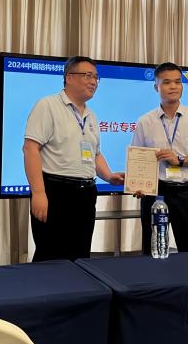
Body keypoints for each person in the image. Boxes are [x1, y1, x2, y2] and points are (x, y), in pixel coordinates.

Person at [23, 56, 124, 262]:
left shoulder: (91, 115)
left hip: (86, 194)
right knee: (51, 258)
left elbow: (94, 153)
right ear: (69, 77)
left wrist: (109, 176)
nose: (93, 81)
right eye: (88, 75)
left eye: (96, 77)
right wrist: (39, 193)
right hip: (56, 192)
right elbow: (31, 149)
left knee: (80, 256)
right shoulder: (48, 105)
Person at [131, 62, 188, 253]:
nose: (173, 86)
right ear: (156, 87)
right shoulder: (145, 121)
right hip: (155, 193)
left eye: (178, 82)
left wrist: (180, 160)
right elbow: (138, 158)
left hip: (187, 193)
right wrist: (137, 183)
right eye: (166, 82)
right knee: (153, 250)